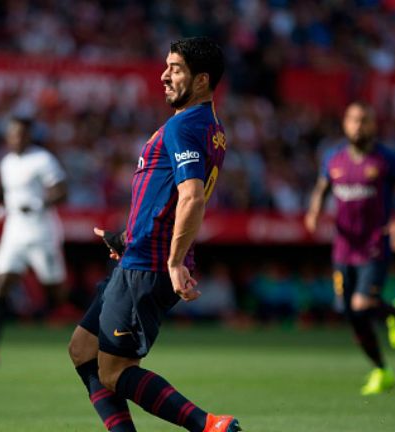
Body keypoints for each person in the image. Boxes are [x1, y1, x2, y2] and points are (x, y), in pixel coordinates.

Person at [67, 37, 241, 432]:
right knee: (82, 349)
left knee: (114, 371)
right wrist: (129, 237)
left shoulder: (184, 126)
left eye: (175, 69)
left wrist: (175, 261)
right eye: (166, 66)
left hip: (149, 265)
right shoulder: (209, 128)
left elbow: (192, 197)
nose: (164, 75)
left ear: (202, 80)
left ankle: (209, 425)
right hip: (137, 255)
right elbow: (165, 196)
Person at [305, 102, 395, 396]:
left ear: (374, 125)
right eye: (354, 120)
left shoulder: (388, 159)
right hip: (343, 248)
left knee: (361, 305)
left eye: (364, 120)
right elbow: (322, 187)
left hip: (375, 245)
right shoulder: (334, 158)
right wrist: (315, 211)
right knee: (348, 311)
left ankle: (393, 312)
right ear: (345, 124)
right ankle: (382, 370)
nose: (359, 126)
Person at [0, 116, 68, 366]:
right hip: (15, 234)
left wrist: (39, 204)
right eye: (12, 134)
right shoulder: (7, 162)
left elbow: (62, 191)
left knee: (56, 292)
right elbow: (13, 199)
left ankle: (84, 330)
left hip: (42, 233)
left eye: (20, 134)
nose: (15, 138)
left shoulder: (42, 159)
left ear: (29, 136)